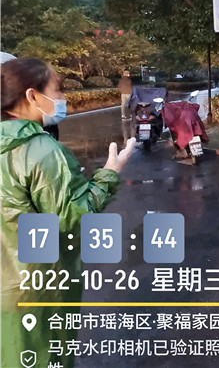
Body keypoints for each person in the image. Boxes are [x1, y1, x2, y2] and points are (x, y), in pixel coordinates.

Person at [1, 58, 135, 368]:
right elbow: (75, 215)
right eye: (57, 90)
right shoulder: (40, 151)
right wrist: (110, 173)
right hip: (36, 290)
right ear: (32, 96)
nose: (63, 98)